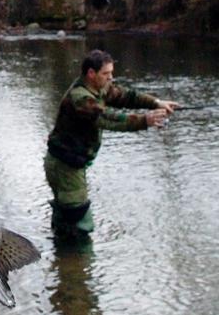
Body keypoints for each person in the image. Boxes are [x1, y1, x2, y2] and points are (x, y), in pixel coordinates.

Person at [44, 49, 178, 238]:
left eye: (111, 73)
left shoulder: (99, 88)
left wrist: (156, 102)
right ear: (91, 73)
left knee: (66, 217)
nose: (111, 78)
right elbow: (107, 118)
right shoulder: (80, 98)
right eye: (106, 74)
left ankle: (62, 261)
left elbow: (126, 96)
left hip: (65, 163)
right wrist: (144, 121)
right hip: (65, 166)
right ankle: (79, 264)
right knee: (78, 221)